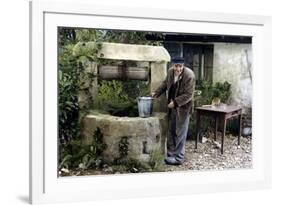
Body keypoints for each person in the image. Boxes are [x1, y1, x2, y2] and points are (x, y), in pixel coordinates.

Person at [153, 57, 195, 165]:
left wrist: (175, 103)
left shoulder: (189, 75)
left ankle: (179, 158)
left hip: (183, 108)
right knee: (171, 130)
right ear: (173, 65)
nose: (178, 69)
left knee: (180, 132)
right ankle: (171, 154)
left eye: (180, 66)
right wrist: (156, 93)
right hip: (172, 106)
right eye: (176, 66)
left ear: (183, 66)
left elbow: (189, 95)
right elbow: (165, 84)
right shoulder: (170, 72)